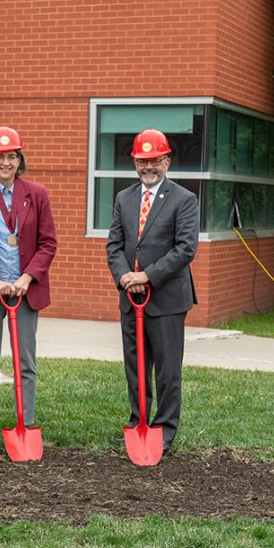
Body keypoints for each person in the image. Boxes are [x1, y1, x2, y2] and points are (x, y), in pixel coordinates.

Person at [106, 128, 198, 455]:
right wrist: (124, 277)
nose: (149, 167)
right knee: (136, 366)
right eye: (143, 160)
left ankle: (165, 430)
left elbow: (185, 249)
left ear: (167, 162)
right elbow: (114, 245)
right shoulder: (124, 198)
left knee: (168, 369)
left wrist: (146, 276)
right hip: (131, 298)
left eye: (155, 160)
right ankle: (138, 423)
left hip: (167, 299)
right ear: (134, 162)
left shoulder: (184, 199)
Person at [0, 126, 57, 436]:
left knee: (25, 359)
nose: (6, 163)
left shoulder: (37, 194)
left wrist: (27, 278)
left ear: (20, 160)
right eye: (0, 157)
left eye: (12, 156)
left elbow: (48, 243)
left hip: (27, 290)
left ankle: (25, 422)